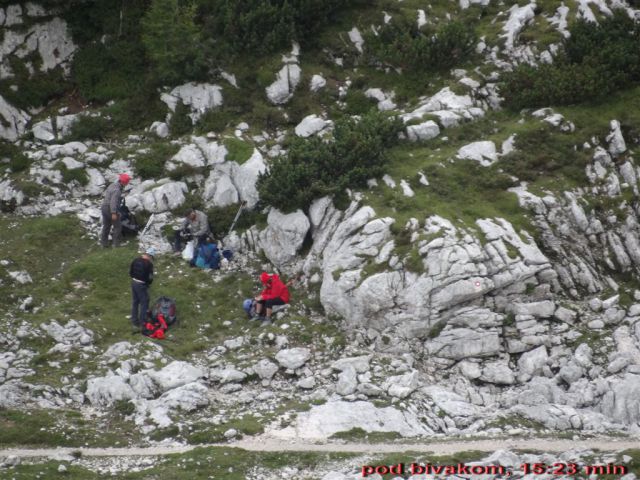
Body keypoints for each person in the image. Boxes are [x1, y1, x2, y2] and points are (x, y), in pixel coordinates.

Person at [101, 173, 131, 247]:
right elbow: (113, 201)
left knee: (106, 226)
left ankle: (103, 244)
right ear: (124, 182)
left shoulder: (112, 185)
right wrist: (113, 212)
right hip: (110, 208)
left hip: (104, 207)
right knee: (117, 226)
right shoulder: (117, 190)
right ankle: (116, 244)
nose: (127, 183)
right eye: (127, 182)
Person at [130, 247, 155, 331]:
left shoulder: (136, 260)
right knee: (144, 302)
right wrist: (147, 284)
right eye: (151, 257)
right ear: (150, 256)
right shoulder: (149, 264)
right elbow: (150, 278)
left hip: (133, 282)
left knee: (135, 302)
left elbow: (131, 272)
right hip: (141, 285)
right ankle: (143, 322)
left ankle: (134, 321)